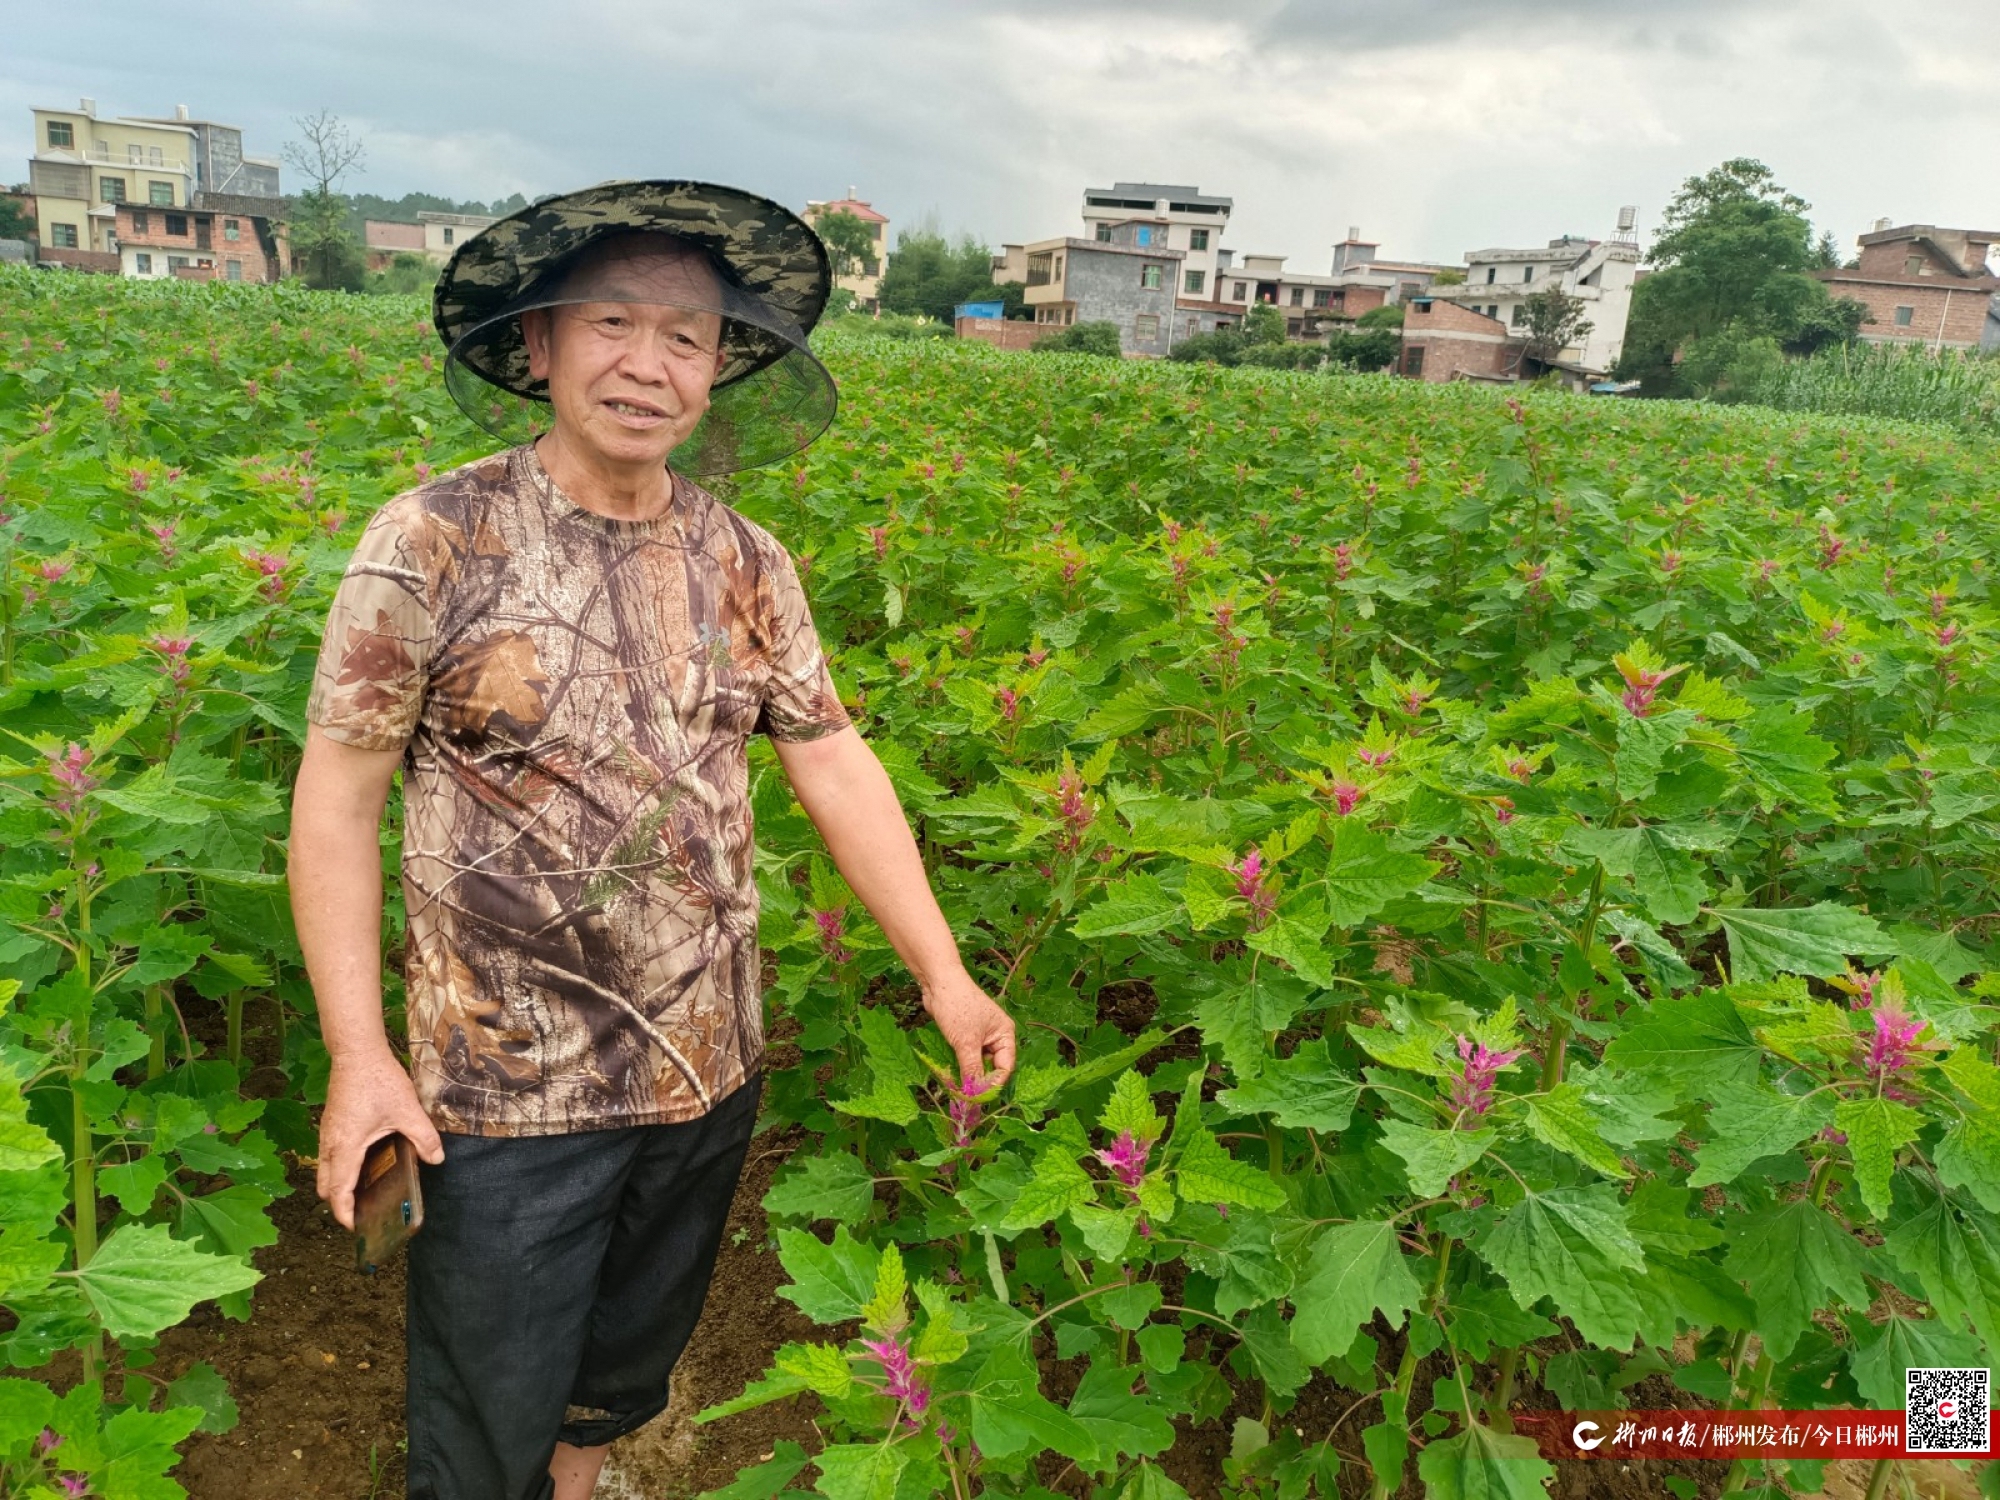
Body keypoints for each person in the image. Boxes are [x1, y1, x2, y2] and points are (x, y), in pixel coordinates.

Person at [287, 180, 1016, 1500]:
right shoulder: (434, 541)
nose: (649, 363)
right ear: (540, 345)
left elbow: (831, 757)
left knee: (624, 1357)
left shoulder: (747, 560)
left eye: (686, 337)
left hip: (708, 1059)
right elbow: (335, 798)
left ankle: (585, 1473)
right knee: (482, 1402)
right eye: (612, 321)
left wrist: (944, 971)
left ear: (720, 370)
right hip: (507, 1090)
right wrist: (361, 1058)